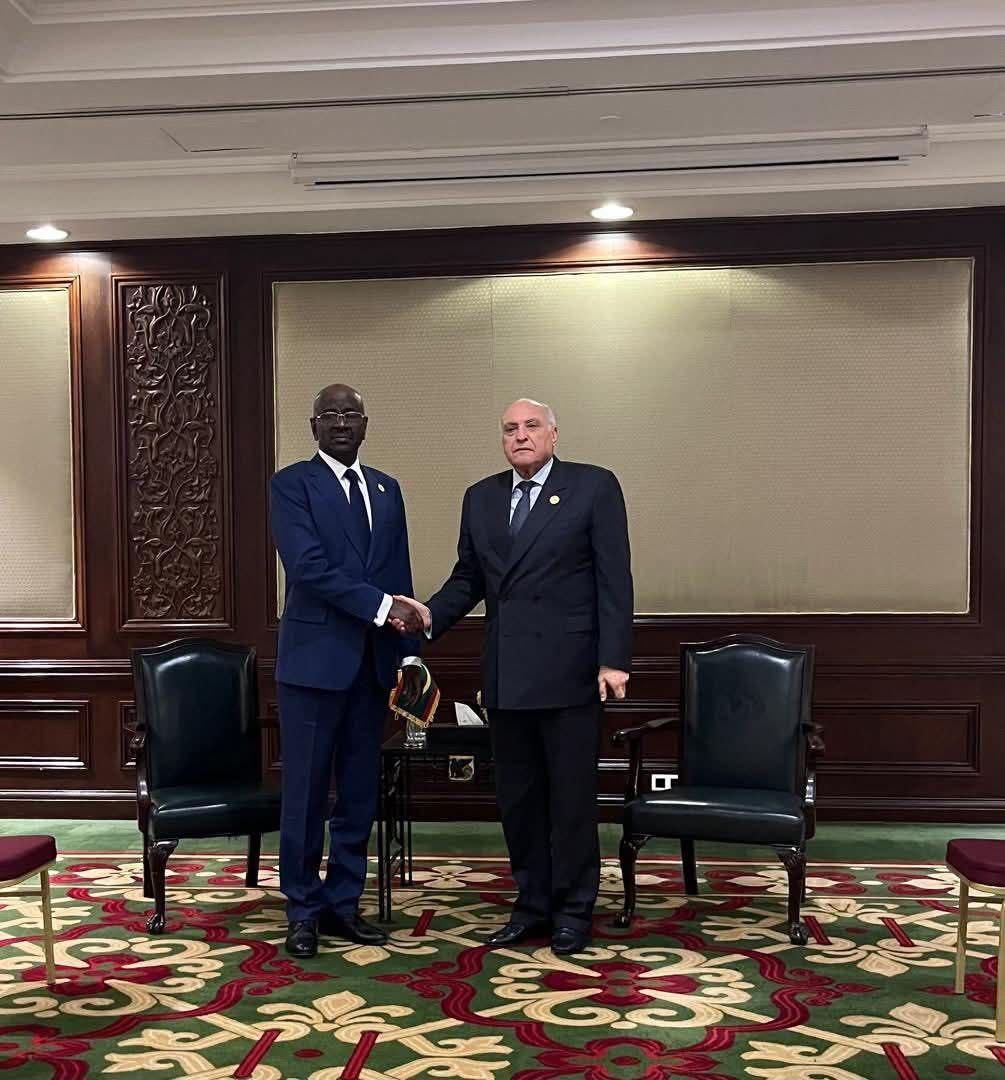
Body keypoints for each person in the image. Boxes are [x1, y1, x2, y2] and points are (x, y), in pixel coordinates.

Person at [400, 398, 633, 956]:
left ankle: (573, 910)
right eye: (510, 429)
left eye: (531, 426)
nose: (520, 436)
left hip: (571, 671)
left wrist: (614, 659)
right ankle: (532, 905)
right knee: (520, 800)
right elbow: (469, 579)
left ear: (554, 434)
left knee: (571, 800)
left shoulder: (593, 487)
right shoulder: (481, 497)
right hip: (507, 675)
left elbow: (614, 578)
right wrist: (429, 615)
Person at [270, 383, 425, 958]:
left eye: (351, 414)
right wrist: (383, 608)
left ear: (365, 424)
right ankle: (302, 910)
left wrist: (409, 652)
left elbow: (399, 572)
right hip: (313, 666)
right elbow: (308, 568)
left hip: (373, 666)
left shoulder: (387, 489)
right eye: (329, 414)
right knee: (306, 795)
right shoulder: (291, 485)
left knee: (359, 794)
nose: (341, 422)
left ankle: (343, 904)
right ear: (313, 426)